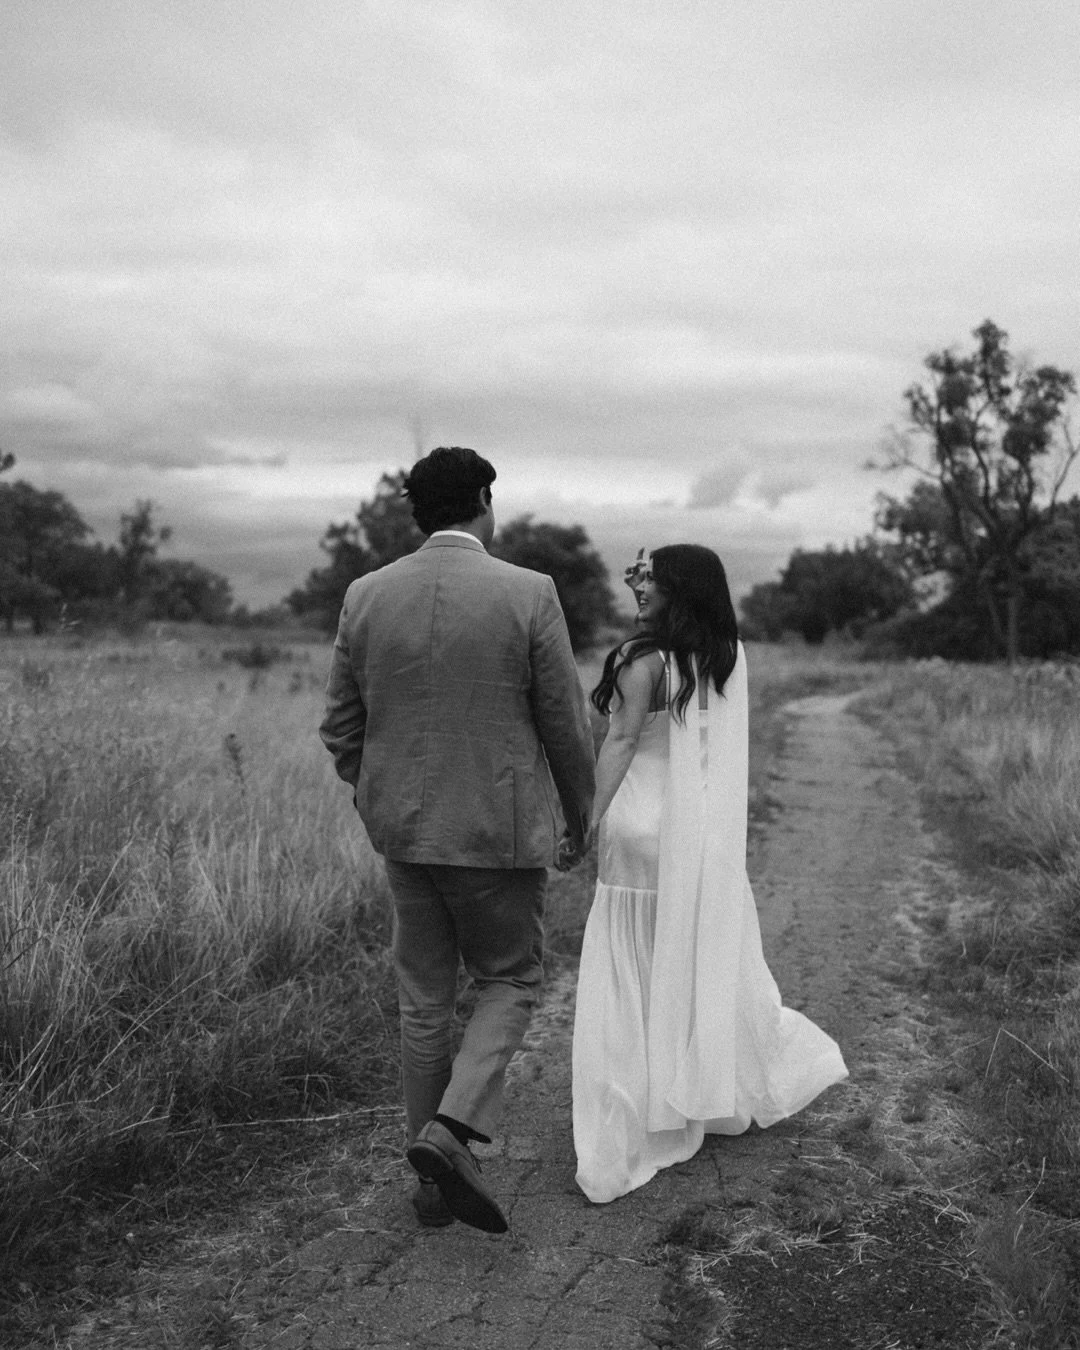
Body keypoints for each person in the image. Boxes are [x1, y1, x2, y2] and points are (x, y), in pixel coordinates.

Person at [320, 446, 596, 1233]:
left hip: (404, 835)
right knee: (510, 980)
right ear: (482, 498)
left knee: (424, 1006)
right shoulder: (529, 593)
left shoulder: (366, 594)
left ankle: (433, 1185)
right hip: (496, 834)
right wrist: (580, 817)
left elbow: (340, 725)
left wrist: (382, 796)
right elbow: (564, 726)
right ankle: (448, 1133)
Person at [568, 545, 847, 1204]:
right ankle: (688, 1091)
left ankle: (628, 1107)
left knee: (629, 968)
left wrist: (581, 821)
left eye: (648, 576)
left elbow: (621, 742)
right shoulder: (725, 655)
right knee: (683, 960)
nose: (636, 584)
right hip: (693, 838)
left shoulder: (641, 662)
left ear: (676, 587)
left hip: (637, 828)